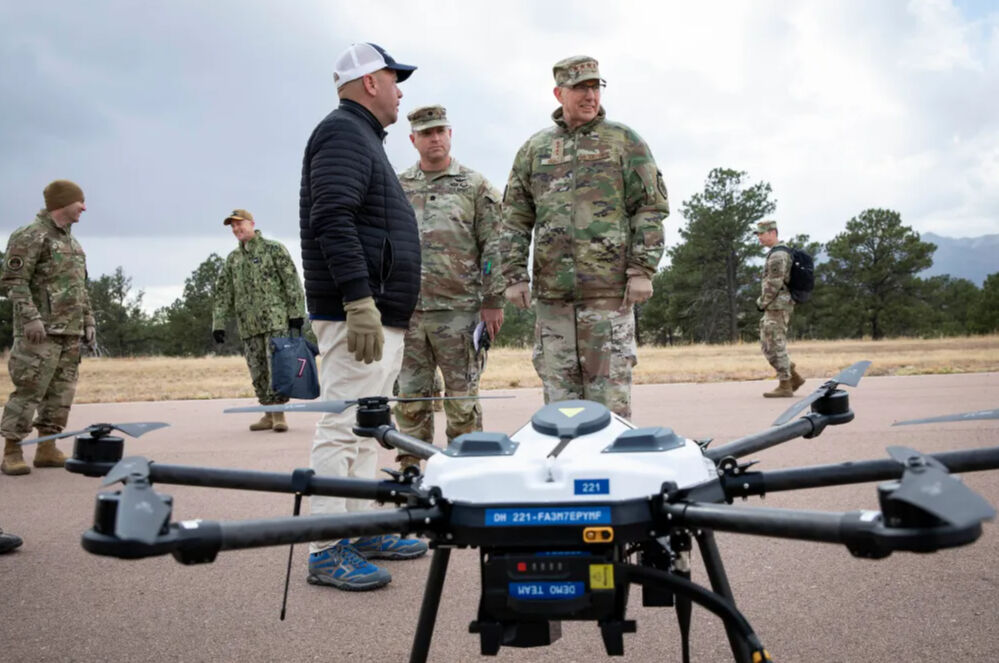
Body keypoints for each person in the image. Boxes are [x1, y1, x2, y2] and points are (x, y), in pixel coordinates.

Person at [298, 42, 426, 591]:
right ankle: (328, 546)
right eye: (395, 80)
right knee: (343, 426)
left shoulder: (363, 137)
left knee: (364, 424)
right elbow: (332, 217)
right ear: (370, 82)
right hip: (359, 313)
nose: (401, 92)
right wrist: (357, 300)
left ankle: (363, 526)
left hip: (376, 311)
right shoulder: (343, 132)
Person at [500, 55, 669, 420]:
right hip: (553, 301)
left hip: (608, 298)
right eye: (581, 88)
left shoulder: (625, 141)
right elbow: (514, 217)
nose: (590, 95)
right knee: (561, 408)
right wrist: (514, 276)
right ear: (559, 92)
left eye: (596, 87)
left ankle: (611, 474)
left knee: (609, 404)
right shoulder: (535, 149)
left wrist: (643, 269)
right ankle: (567, 474)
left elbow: (650, 208)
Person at [393, 105, 504, 468]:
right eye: (426, 133)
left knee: (462, 399)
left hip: (459, 311)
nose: (435, 137)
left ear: (450, 134)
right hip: (409, 313)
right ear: (413, 140)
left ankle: (466, 468)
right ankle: (410, 469)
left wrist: (492, 300)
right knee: (410, 396)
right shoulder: (398, 186)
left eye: (440, 130)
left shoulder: (475, 186)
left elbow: (494, 246)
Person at [1, 180, 95, 475]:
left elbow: (81, 288)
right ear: (63, 202)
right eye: (80, 201)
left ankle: (47, 447)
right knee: (29, 390)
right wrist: (30, 318)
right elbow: (13, 281)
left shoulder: (72, 242)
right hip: (39, 333)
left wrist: (88, 320)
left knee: (61, 393)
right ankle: (12, 450)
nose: (84, 207)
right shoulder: (30, 235)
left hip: (70, 331)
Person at [212, 208, 306, 432]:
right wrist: (219, 323)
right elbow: (223, 292)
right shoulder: (233, 259)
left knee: (277, 368)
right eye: (233, 226)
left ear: (252, 223)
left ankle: (279, 414)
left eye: (239, 224)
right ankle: (266, 413)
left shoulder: (273, 249)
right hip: (248, 325)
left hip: (275, 321)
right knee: (258, 370)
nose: (236, 229)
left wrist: (296, 314)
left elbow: (292, 282)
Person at [755, 219, 805, 398]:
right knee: (767, 343)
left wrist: (762, 301)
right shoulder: (776, 253)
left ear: (773, 233)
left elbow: (774, 282)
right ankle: (794, 377)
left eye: (762, 233)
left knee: (774, 343)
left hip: (777, 304)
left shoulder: (778, 255)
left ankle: (785, 384)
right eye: (758, 234)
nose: (759, 237)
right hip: (776, 304)